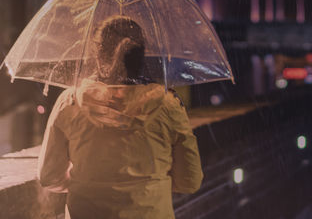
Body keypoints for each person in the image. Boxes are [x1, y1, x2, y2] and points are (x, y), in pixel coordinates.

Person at [37, 16, 203, 219]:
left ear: (98, 55)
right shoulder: (168, 106)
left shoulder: (70, 102)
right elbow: (190, 181)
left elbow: (49, 176)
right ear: (142, 56)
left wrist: (89, 184)